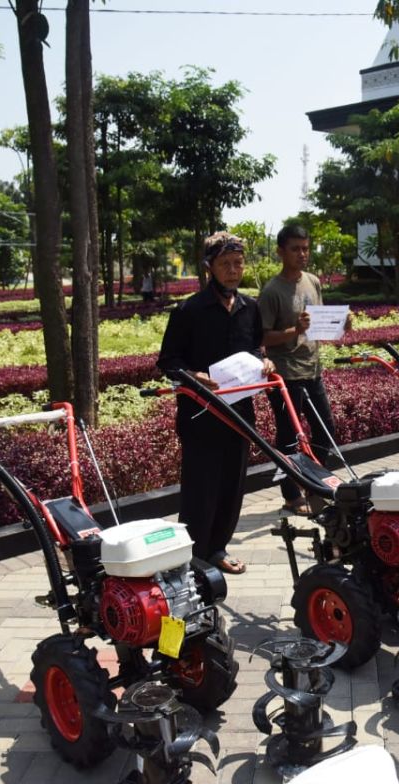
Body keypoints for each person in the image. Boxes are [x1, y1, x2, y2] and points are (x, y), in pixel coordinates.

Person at [156, 232, 273, 574]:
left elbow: (256, 348)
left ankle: (218, 549)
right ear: (209, 268)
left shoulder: (250, 308)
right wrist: (193, 375)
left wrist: (264, 362)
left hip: (240, 413)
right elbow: (168, 361)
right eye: (225, 264)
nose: (233, 271)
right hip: (199, 416)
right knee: (200, 489)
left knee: (232, 485)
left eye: (238, 263)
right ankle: (191, 558)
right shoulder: (188, 311)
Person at [258, 224, 342, 514]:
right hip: (285, 374)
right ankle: (292, 496)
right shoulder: (271, 291)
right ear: (281, 252)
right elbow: (263, 337)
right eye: (295, 249)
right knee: (289, 436)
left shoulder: (313, 282)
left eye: (305, 248)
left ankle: (315, 482)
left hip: (313, 369)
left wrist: (341, 324)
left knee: (325, 430)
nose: (302, 254)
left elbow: (320, 322)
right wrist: (294, 330)